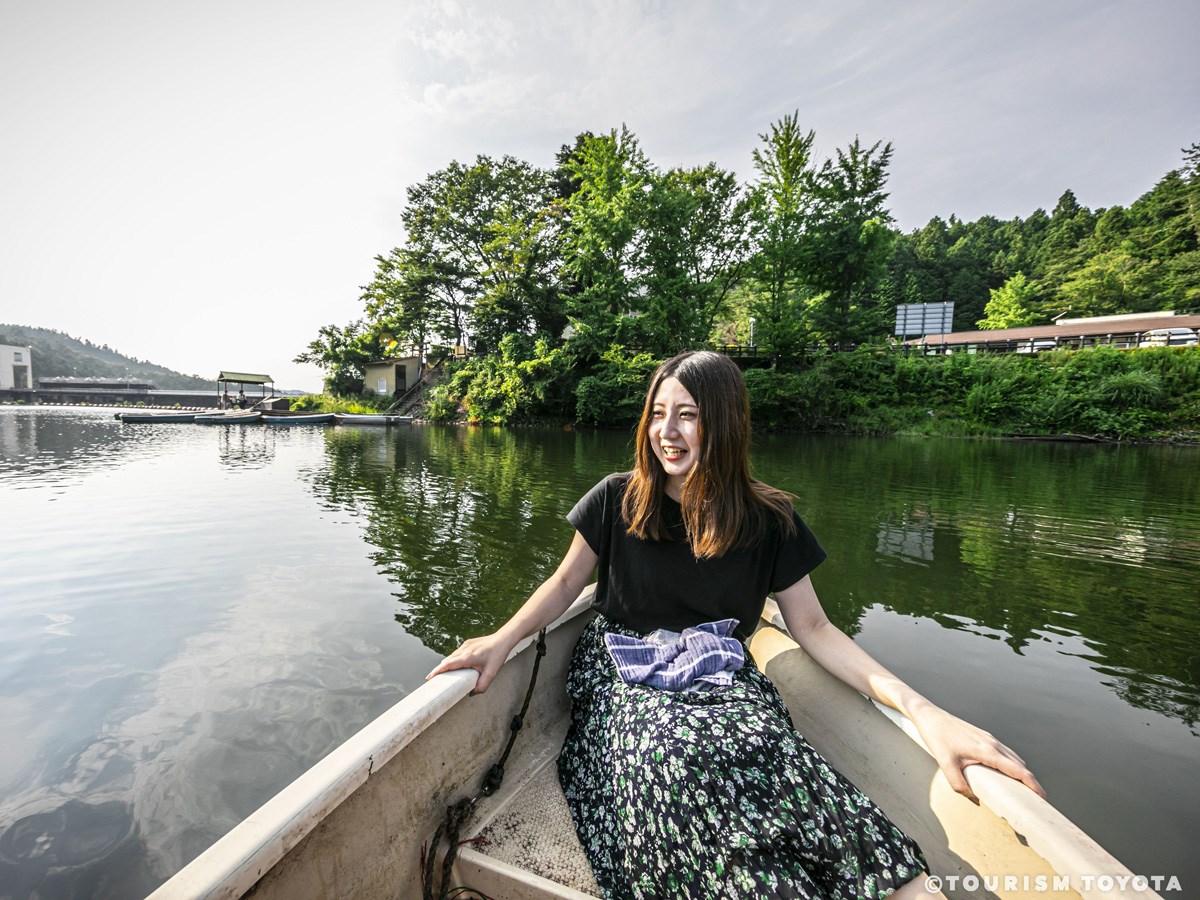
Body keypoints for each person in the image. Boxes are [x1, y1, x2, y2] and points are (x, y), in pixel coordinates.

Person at [428, 350, 1043, 899]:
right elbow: (566, 585)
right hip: (621, 664)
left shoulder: (769, 519)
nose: (666, 433)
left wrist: (924, 713)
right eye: (658, 412)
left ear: (725, 424)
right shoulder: (617, 498)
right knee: (668, 756)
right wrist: (500, 640)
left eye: (688, 415)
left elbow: (816, 629)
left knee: (767, 748)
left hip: (720, 669)